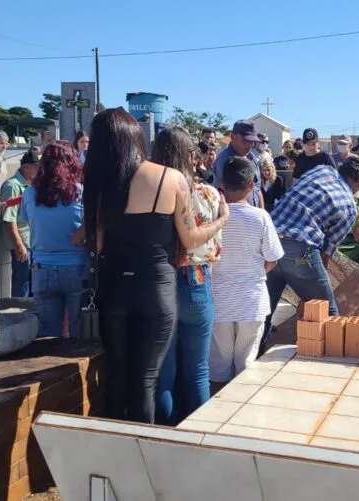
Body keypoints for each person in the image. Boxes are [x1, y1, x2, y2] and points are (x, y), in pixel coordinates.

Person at [83, 108, 228, 424]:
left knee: (116, 376)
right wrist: (220, 221)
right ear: (136, 138)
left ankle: (112, 444)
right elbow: (189, 239)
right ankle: (143, 449)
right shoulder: (170, 178)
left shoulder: (99, 184)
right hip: (156, 289)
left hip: (114, 289)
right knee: (146, 380)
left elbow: (95, 244)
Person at [151, 127, 223, 425]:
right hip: (197, 279)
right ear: (191, 156)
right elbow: (216, 249)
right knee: (198, 369)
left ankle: (164, 432)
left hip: (163, 281)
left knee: (163, 371)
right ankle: (198, 435)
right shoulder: (208, 193)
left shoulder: (152, 194)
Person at [262, 155, 359, 355]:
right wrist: (314, 287)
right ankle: (333, 363)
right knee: (327, 312)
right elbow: (325, 253)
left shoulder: (321, 170)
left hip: (268, 240)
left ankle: (252, 360)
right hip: (299, 248)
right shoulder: (348, 206)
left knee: (263, 309)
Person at [211, 156, 284, 387]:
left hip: (218, 300)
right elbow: (273, 258)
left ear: (221, 184)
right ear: (252, 185)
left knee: (218, 366)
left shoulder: (213, 217)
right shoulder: (260, 217)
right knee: (246, 366)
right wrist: (256, 271)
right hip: (251, 301)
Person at [19, 142, 86, 338]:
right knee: (79, 337)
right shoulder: (81, 193)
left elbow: (29, 221)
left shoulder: (29, 193)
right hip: (77, 268)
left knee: (46, 336)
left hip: (42, 269)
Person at [1, 148, 41, 298]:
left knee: (31, 285)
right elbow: (9, 220)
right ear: (26, 167)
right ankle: (18, 317)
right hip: (22, 244)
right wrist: (19, 246)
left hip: (32, 243)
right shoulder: (13, 186)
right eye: (37, 166)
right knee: (22, 284)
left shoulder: (32, 186)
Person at [212, 120, 264, 208]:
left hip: (253, 214)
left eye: (252, 142)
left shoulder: (252, 157)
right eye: (245, 141)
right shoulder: (225, 161)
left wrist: (261, 212)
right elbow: (231, 196)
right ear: (232, 137)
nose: (249, 145)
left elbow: (257, 189)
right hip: (233, 215)